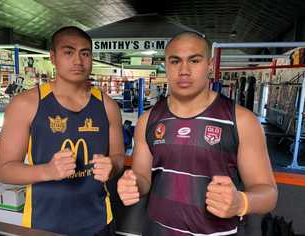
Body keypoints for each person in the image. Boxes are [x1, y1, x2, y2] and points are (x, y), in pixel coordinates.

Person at [117, 31, 277, 235]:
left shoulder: (241, 120)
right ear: (165, 65)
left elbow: (269, 194)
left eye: (194, 60)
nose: (184, 70)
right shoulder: (148, 120)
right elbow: (143, 178)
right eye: (175, 61)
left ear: (209, 65)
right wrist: (133, 185)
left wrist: (241, 202)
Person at [0, 26, 124, 236]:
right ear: (53, 57)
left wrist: (113, 166)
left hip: (100, 222)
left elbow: (118, 157)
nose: (78, 61)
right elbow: (4, 170)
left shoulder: (108, 106)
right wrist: (48, 171)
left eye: (85, 53)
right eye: (68, 52)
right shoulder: (26, 104)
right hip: (44, 225)